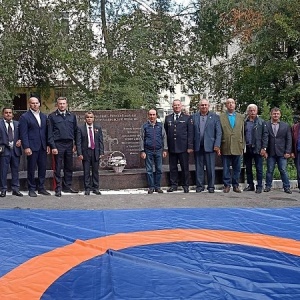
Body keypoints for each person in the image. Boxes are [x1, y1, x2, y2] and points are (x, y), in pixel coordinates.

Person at [19, 97, 51, 197]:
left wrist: (48, 145)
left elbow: (46, 132)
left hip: (42, 146)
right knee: (31, 168)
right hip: (32, 147)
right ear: (29, 104)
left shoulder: (43, 116)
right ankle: (31, 188)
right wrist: (26, 147)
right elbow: (23, 133)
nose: (35, 105)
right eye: (33, 103)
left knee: (42, 168)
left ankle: (41, 187)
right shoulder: (24, 117)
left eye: (37, 103)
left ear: (39, 104)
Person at [48, 97, 78, 197]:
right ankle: (58, 188)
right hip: (58, 144)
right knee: (57, 167)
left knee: (69, 167)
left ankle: (67, 186)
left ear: (66, 104)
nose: (62, 105)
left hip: (69, 144)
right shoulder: (52, 116)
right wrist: (53, 146)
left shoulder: (72, 116)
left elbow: (75, 131)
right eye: (60, 103)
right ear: (57, 105)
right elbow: (49, 133)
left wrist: (75, 144)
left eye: (63, 103)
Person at [191, 99, 222, 193]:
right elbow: (191, 132)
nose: (204, 106)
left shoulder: (215, 117)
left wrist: (217, 145)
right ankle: (199, 186)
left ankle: (211, 186)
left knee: (210, 168)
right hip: (198, 146)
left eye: (205, 105)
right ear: (199, 106)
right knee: (199, 167)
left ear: (208, 106)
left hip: (210, 146)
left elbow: (219, 132)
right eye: (202, 105)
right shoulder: (194, 116)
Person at [164, 99, 194, 193]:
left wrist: (190, 146)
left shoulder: (187, 118)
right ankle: (174, 185)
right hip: (172, 147)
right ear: (172, 107)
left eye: (178, 105)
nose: (176, 107)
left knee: (185, 167)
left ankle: (185, 185)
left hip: (183, 147)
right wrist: (166, 147)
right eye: (175, 105)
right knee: (173, 167)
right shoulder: (168, 118)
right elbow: (166, 133)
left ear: (181, 106)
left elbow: (190, 133)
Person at [264, 107, 292, 194]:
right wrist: (264, 150)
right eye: (274, 113)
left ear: (280, 115)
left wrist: (288, 151)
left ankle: (287, 187)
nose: (275, 115)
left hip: (282, 153)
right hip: (270, 152)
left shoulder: (285, 125)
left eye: (277, 114)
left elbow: (289, 139)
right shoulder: (266, 124)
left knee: (283, 170)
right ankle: (268, 186)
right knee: (269, 170)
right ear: (271, 114)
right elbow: (264, 138)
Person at [219, 98, 245, 193]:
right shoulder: (221, 117)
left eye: (232, 103)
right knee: (226, 167)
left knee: (237, 167)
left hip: (238, 145)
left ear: (235, 104)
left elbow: (243, 132)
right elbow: (219, 132)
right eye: (228, 103)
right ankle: (226, 185)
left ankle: (235, 185)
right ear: (226, 105)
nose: (230, 104)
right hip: (225, 144)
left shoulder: (241, 117)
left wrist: (243, 145)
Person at [140, 109, 168, 194]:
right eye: (150, 115)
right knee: (149, 170)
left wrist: (165, 149)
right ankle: (151, 187)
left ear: (156, 115)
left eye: (154, 114)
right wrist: (142, 151)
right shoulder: (144, 126)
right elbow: (141, 138)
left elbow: (164, 137)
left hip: (159, 150)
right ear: (148, 116)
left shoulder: (160, 125)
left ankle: (157, 187)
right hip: (148, 151)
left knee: (159, 169)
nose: (152, 116)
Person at [76, 111, 104, 195]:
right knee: (86, 171)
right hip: (86, 152)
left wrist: (101, 152)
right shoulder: (80, 128)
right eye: (88, 117)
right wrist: (79, 153)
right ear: (85, 119)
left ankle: (96, 188)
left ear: (93, 118)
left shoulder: (97, 127)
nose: (89, 119)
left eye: (91, 117)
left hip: (95, 151)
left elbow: (100, 141)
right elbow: (78, 142)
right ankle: (87, 188)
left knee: (95, 171)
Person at [243, 104, 268, 194]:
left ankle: (259, 186)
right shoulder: (245, 122)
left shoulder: (261, 122)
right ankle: (250, 185)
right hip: (247, 148)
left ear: (257, 111)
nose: (252, 112)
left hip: (258, 148)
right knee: (248, 168)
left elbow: (265, 136)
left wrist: (264, 148)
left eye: (254, 110)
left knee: (259, 169)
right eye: (250, 110)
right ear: (248, 112)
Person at [0, 108, 23, 197]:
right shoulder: (0, 124)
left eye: (10, 113)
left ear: (12, 114)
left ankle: (15, 189)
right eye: (6, 113)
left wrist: (20, 140)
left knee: (15, 170)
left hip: (15, 150)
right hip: (4, 150)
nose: (8, 114)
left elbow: (22, 135)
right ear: (3, 114)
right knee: (3, 171)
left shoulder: (17, 124)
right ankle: (3, 189)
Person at [291, 118, 300, 193]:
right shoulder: (295, 127)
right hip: (298, 152)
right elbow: (291, 140)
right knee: (299, 170)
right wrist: (292, 151)